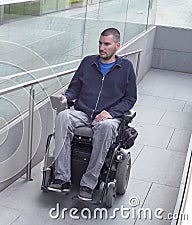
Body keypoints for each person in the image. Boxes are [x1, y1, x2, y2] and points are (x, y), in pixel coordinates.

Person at [50, 28, 137, 201]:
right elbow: (74, 88)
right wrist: (66, 97)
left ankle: (88, 184)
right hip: (83, 112)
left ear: (117, 46)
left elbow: (130, 99)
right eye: (100, 43)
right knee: (63, 117)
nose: (102, 47)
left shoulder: (125, 67)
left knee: (105, 127)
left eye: (107, 44)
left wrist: (111, 113)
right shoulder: (88, 62)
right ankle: (62, 177)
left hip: (108, 118)